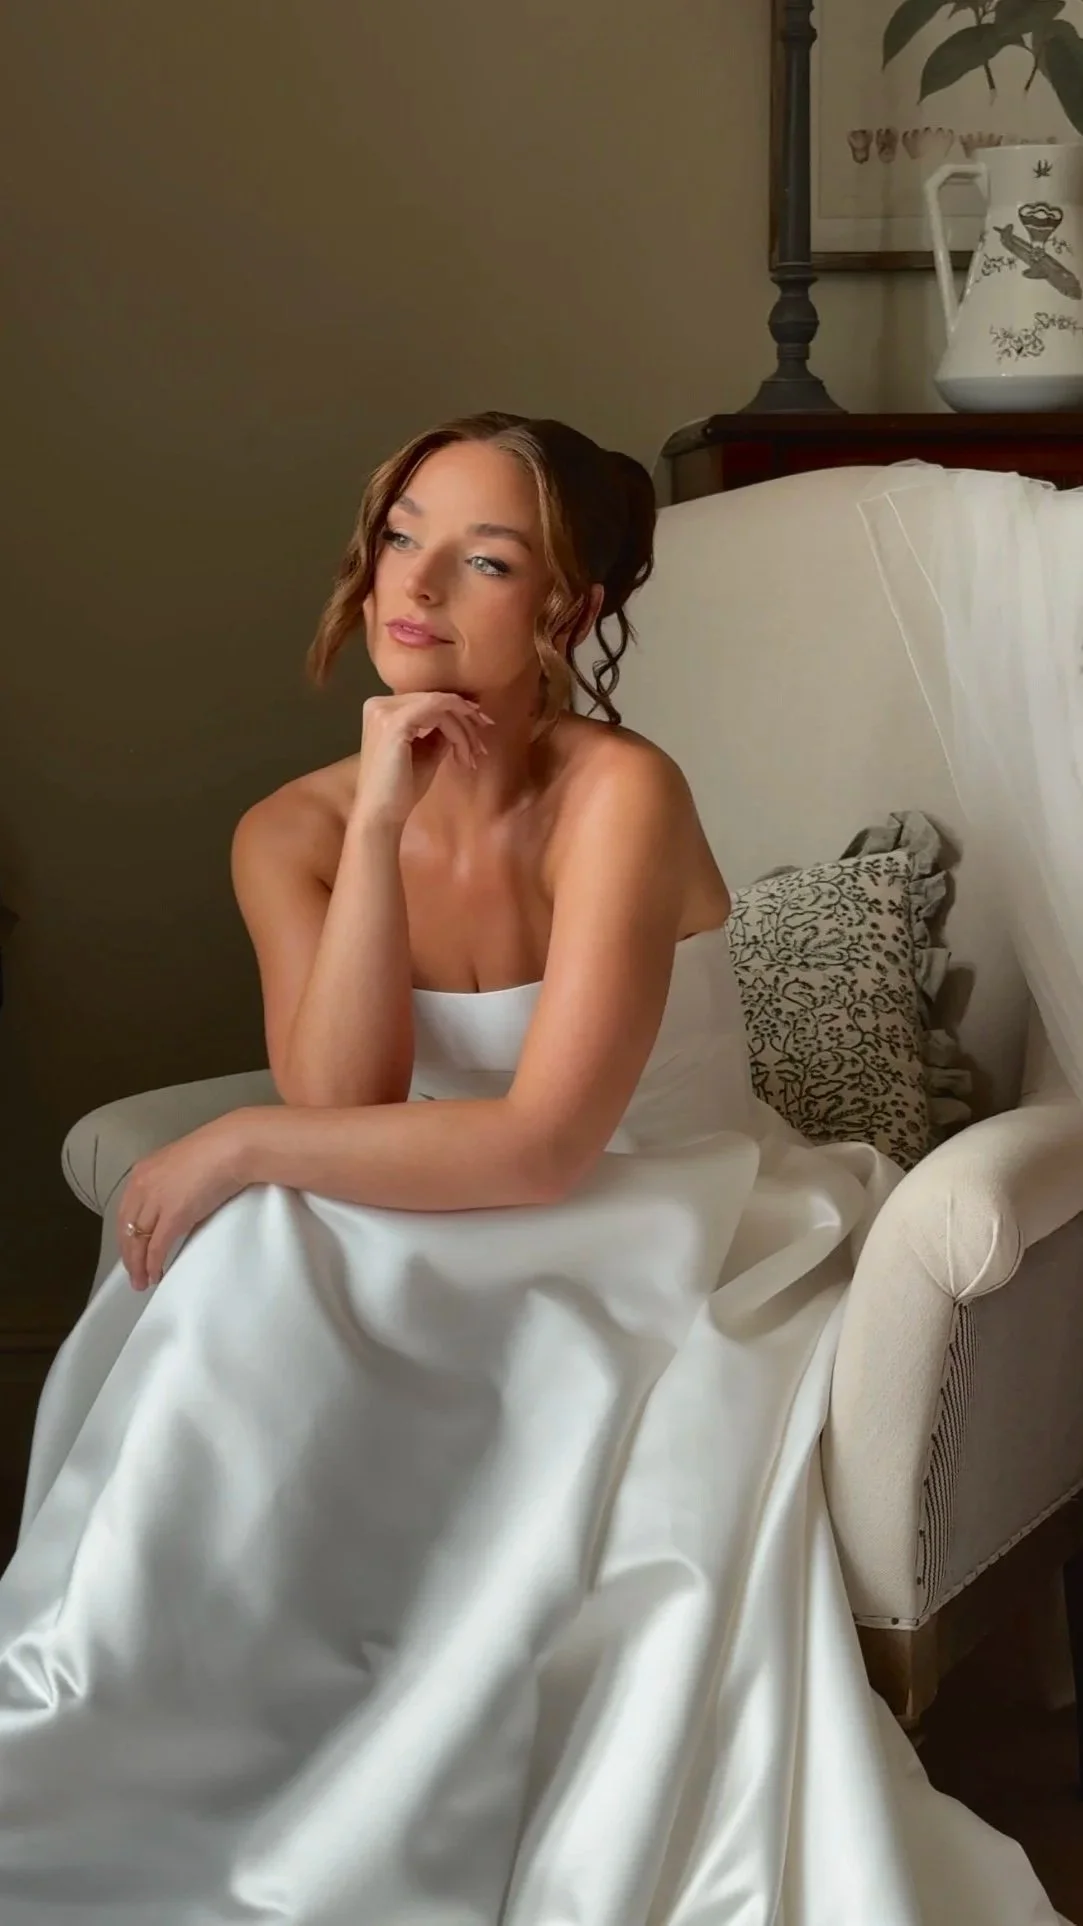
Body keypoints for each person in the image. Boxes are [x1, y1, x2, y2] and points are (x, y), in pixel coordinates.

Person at [0, 413, 1067, 1925]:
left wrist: (231, 1140)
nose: (414, 586)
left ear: (565, 612)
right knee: (268, 1244)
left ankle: (422, 1783)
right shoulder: (287, 834)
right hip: (434, 1199)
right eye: (400, 535)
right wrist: (376, 818)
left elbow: (546, 1142)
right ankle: (200, 1748)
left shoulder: (620, 791)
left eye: (483, 559)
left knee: (276, 1201)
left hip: (666, 1210)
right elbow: (350, 1096)